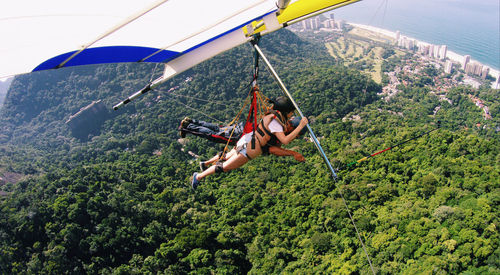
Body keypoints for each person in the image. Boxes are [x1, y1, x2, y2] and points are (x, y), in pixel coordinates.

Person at [190, 96, 308, 189]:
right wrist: (301, 125)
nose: (292, 114)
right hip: (251, 148)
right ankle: (199, 176)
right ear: (286, 111)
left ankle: (205, 164)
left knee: (225, 158)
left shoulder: (273, 116)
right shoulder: (276, 124)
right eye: (291, 112)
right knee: (224, 167)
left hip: (248, 139)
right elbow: (285, 140)